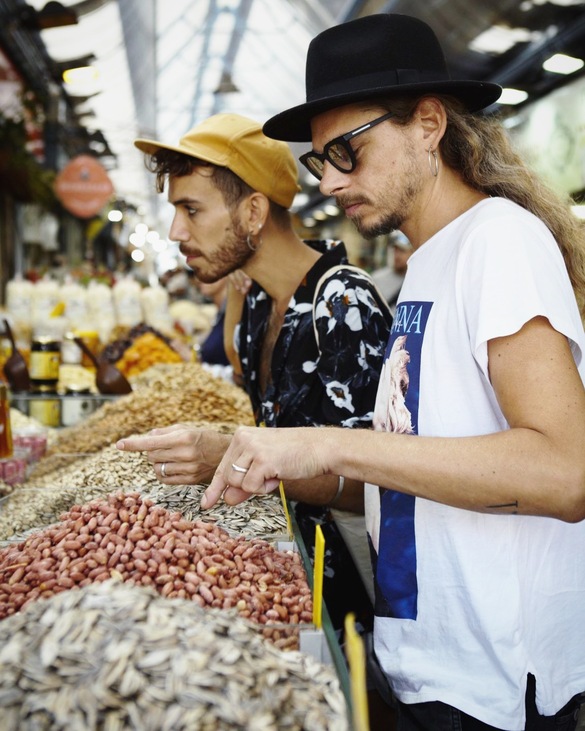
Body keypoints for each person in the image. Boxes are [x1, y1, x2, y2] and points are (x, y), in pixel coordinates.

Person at [199, 13, 585, 731]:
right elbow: (418, 467)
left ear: (428, 123)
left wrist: (329, 441)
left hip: (494, 687)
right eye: (320, 160)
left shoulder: (497, 242)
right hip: (427, 658)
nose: (333, 179)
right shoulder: (429, 260)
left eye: (349, 149)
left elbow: (565, 472)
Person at [117, 114, 393, 655]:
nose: (176, 232)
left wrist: (236, 461)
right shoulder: (259, 304)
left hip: (353, 596)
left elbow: (377, 484)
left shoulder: (343, 304)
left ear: (253, 211)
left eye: (191, 209)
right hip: (287, 572)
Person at [371, 231, 413, 315]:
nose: (397, 255)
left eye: (402, 251)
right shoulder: (376, 279)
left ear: (412, 252)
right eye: (395, 250)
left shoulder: (417, 281)